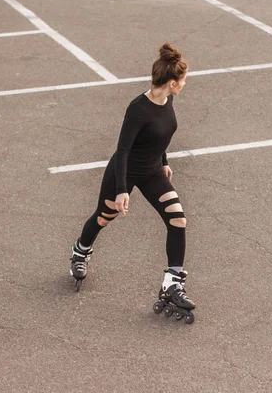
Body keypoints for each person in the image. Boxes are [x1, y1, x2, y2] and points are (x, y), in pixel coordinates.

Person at [69, 42, 195, 315]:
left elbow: (160, 136)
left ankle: (172, 284)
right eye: (183, 81)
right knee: (104, 217)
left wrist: (164, 161)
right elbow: (123, 150)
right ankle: (81, 251)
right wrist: (122, 189)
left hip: (152, 172)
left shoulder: (167, 100)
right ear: (172, 82)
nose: (185, 85)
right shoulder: (138, 108)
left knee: (178, 219)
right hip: (124, 170)